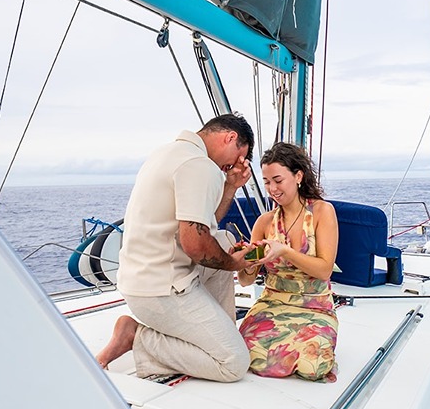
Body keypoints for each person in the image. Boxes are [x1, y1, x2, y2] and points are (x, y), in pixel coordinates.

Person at [96, 114, 259, 382]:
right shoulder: (199, 165)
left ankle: (217, 334)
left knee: (225, 244)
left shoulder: (167, 153)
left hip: (139, 280)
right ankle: (137, 337)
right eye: (235, 158)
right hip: (162, 290)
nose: (231, 166)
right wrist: (236, 264)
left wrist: (230, 186)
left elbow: (205, 226)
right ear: (230, 138)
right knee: (233, 363)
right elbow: (195, 244)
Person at [238, 142, 338, 381]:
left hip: (314, 306)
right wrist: (247, 261)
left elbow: (324, 270)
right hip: (271, 303)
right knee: (236, 356)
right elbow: (244, 281)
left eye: (278, 180)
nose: (272, 188)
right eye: (266, 182)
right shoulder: (264, 222)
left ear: (298, 176)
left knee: (311, 367)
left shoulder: (323, 212)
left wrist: (284, 251)